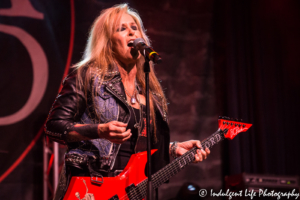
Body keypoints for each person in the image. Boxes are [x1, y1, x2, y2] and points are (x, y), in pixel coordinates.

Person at [45, 3, 210, 200]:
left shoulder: (149, 92)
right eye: (122, 29)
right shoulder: (87, 75)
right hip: (91, 187)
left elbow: (135, 149)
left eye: (135, 27)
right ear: (108, 42)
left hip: (128, 192)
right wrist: (99, 131)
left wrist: (174, 148)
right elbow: (53, 127)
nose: (132, 33)